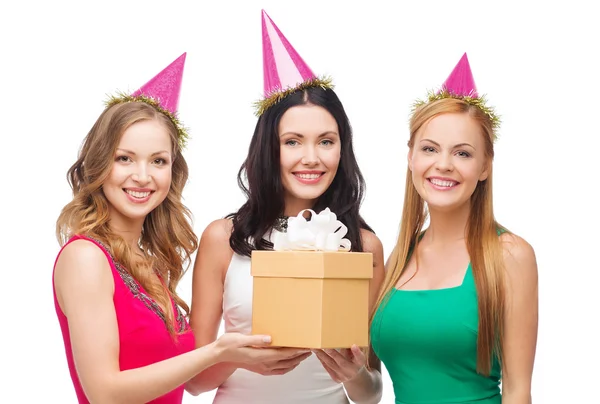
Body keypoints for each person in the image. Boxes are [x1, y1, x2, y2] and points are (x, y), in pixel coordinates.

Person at [53, 53, 306, 404]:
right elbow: (105, 393)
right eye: (124, 158)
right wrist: (217, 351)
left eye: (158, 161)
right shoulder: (85, 257)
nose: (143, 176)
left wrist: (238, 354)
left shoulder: (146, 263)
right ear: (98, 164)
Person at [185, 10, 384, 404]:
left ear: (342, 150)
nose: (311, 157)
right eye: (293, 141)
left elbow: (372, 392)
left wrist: (355, 373)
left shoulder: (364, 247)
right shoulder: (223, 239)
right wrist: (240, 354)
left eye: (326, 141)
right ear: (269, 148)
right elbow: (194, 381)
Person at [370, 53, 539, 404]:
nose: (443, 165)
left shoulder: (509, 255)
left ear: (484, 166)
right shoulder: (400, 257)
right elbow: (369, 383)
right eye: (430, 149)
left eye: (462, 153)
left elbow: (518, 391)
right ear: (411, 158)